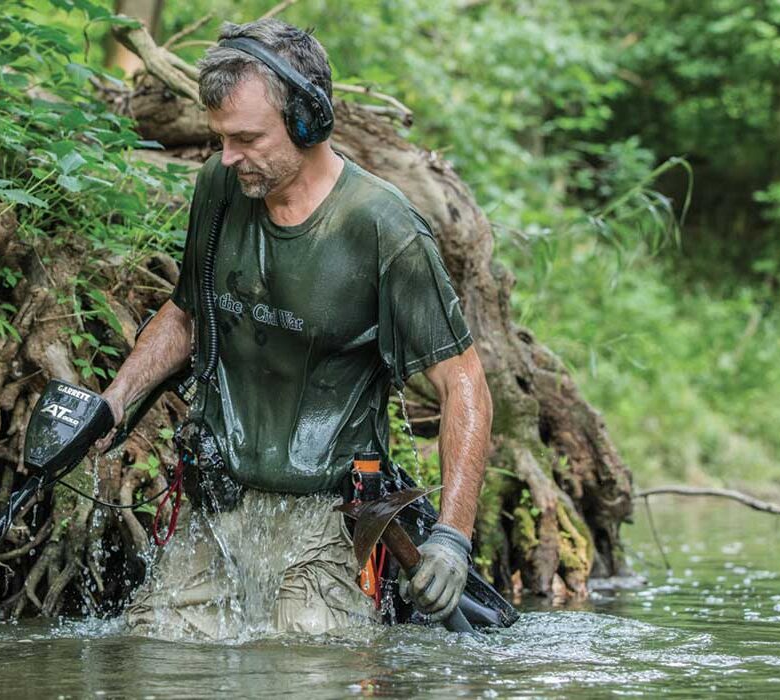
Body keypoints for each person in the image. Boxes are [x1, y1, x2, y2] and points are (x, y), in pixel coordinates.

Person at [97, 18, 492, 639]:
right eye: (220, 138)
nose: (228, 157)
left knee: (306, 666)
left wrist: (451, 537)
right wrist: (113, 403)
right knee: (156, 657)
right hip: (215, 506)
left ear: (309, 120)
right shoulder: (220, 186)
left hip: (328, 520)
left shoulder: (384, 228)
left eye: (247, 138)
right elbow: (184, 315)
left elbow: (465, 381)